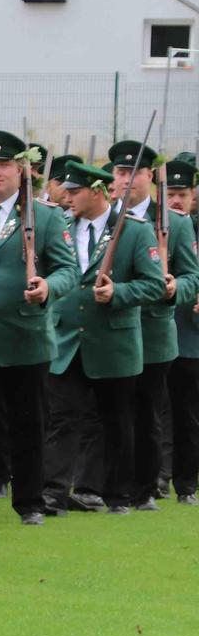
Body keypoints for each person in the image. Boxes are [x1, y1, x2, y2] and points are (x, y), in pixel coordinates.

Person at [0, 130, 78, 525]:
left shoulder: (44, 216)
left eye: (4, 165)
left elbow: (69, 269)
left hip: (25, 334)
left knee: (28, 423)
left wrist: (48, 287)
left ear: (21, 170)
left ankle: (30, 502)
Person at [45, 160, 162, 513]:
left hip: (114, 342)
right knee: (61, 418)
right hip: (67, 340)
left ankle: (115, 493)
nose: (67, 197)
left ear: (96, 191)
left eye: (74, 191)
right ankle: (54, 490)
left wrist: (119, 293)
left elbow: (155, 284)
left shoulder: (134, 231)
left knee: (115, 421)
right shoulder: (62, 225)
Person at [106, 140, 199, 509]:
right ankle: (107, 484)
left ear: (149, 176)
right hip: (110, 330)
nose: (126, 180)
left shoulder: (174, 222)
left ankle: (146, 488)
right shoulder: (104, 217)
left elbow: (193, 276)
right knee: (110, 413)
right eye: (119, 172)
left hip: (153, 328)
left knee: (148, 412)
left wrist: (177, 286)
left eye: (133, 173)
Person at [163, 154, 199, 503]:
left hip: (191, 335)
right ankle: (157, 476)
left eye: (183, 193)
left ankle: (186, 485)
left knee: (188, 416)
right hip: (160, 332)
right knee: (157, 411)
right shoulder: (152, 226)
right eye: (171, 192)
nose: (176, 199)